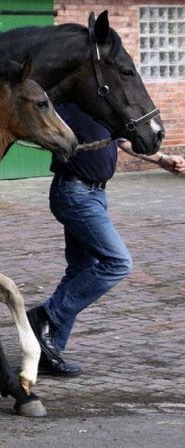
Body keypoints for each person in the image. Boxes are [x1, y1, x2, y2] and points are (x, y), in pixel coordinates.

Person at [27, 103, 185, 377]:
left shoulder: (101, 106)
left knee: (80, 270)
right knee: (118, 262)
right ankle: (46, 315)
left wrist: (161, 159)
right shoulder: (63, 104)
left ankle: (46, 351)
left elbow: (123, 142)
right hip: (74, 192)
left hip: (96, 195)